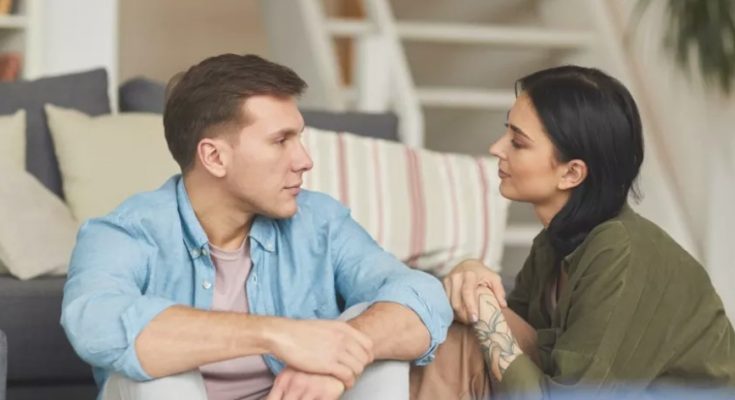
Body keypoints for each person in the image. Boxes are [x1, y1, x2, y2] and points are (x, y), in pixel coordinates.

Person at [61, 53, 453, 400]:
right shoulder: (124, 232)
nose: (304, 160)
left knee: (372, 338)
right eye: (281, 140)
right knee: (157, 372)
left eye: (298, 138)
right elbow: (94, 322)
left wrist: (337, 357)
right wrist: (278, 335)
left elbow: (420, 295)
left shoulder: (320, 222)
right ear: (215, 157)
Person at [412, 65, 735, 399]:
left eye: (518, 142)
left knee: (467, 335)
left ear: (571, 173)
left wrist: (483, 309)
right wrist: (471, 272)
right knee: (459, 334)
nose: (496, 148)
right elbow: (509, 338)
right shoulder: (553, 243)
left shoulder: (619, 252)